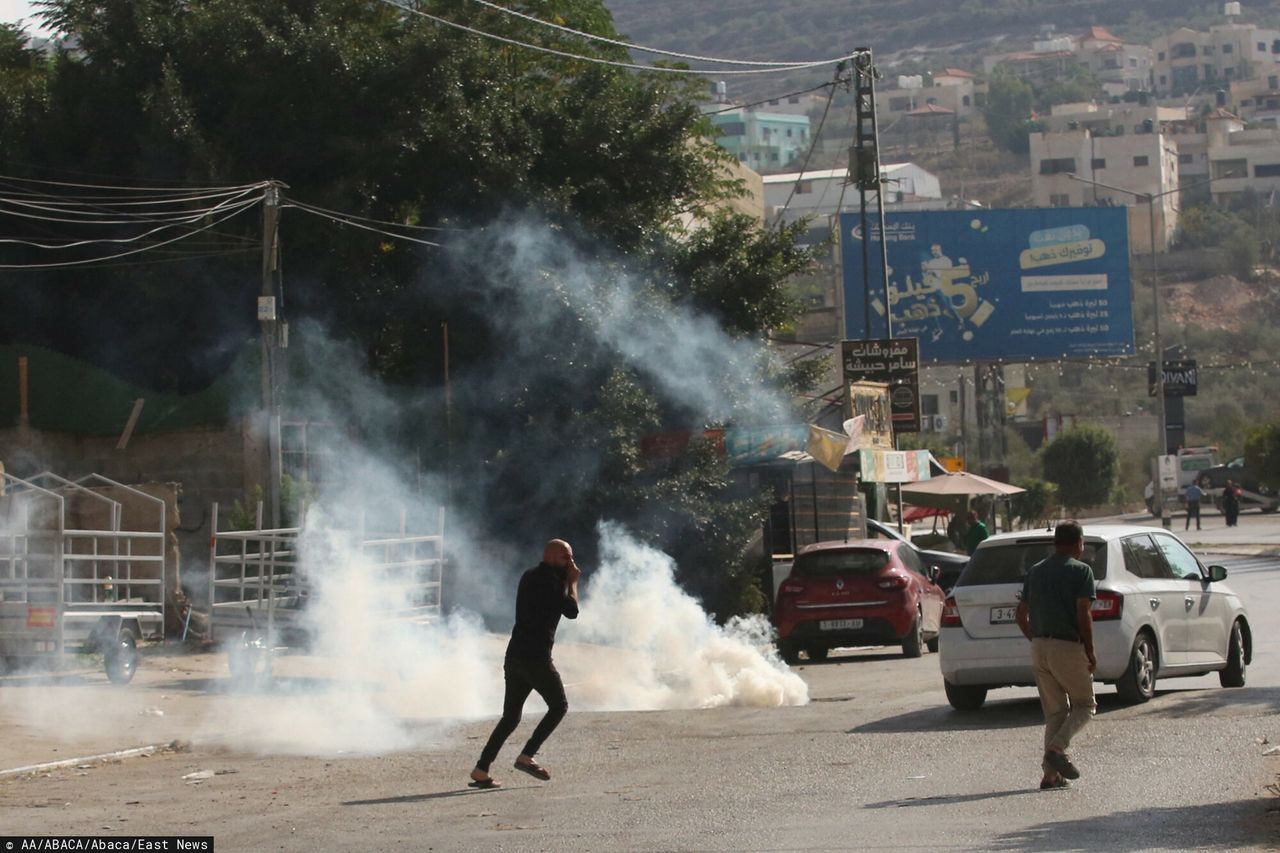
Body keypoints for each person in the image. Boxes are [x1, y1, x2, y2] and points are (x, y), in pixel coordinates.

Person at [469, 539, 581, 789]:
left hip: (515, 656)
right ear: (552, 558)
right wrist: (573, 582)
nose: (571, 563)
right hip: (536, 658)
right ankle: (527, 755)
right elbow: (572, 611)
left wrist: (565, 578)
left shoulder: (529, 576)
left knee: (510, 717)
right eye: (566, 558)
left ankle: (481, 769)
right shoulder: (552, 583)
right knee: (559, 706)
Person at [1015, 520, 1097, 790]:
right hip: (1067, 646)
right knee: (1085, 705)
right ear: (1078, 544)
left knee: (1055, 712)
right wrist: (1089, 648)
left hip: (1039, 647)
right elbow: (1083, 613)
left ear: (1055, 543)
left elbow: (1020, 614)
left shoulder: (1036, 572)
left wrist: (1035, 639)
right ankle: (1058, 748)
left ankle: (1050, 775)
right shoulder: (1081, 571)